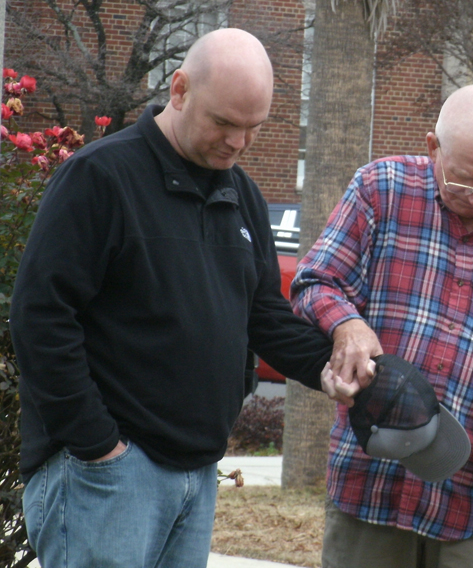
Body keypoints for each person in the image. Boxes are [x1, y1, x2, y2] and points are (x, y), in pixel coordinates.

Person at [10, 28, 332, 568]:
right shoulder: (100, 177)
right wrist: (98, 447)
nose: (237, 143)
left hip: (195, 473)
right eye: (224, 123)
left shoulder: (240, 192)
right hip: (106, 475)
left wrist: (336, 367)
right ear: (179, 90)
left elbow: (263, 315)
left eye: (253, 128)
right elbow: (41, 316)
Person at [291, 83, 473, 568]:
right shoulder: (379, 189)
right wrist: (348, 326)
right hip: (371, 484)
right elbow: (316, 282)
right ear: (433, 148)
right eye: (463, 180)